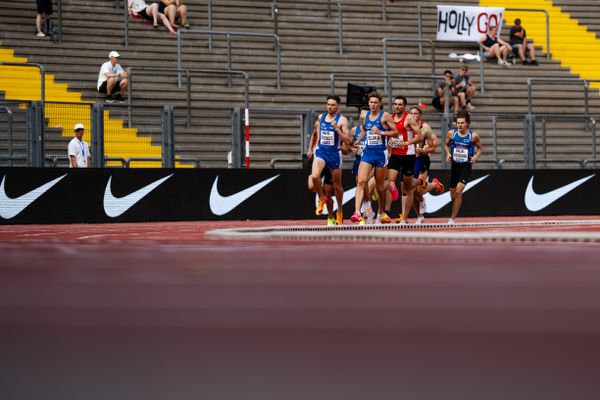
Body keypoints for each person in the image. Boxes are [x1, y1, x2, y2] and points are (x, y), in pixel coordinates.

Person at [350, 92, 398, 224]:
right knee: (361, 181)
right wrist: (358, 141)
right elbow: (365, 130)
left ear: (380, 104)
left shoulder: (385, 116)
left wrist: (381, 132)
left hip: (380, 154)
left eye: (375, 102)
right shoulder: (365, 116)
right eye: (371, 102)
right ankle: (357, 212)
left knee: (379, 186)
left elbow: (395, 132)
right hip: (368, 152)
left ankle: (382, 211)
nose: (372, 105)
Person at [308, 95, 351, 225]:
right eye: (328, 104)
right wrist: (311, 148)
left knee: (336, 187)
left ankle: (339, 212)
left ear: (338, 106)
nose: (330, 107)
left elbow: (348, 141)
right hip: (321, 152)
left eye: (333, 105)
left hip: (334, 155)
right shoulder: (321, 118)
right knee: (314, 178)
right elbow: (316, 134)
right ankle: (321, 198)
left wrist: (337, 129)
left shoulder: (342, 120)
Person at [385, 96, 424, 225]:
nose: (397, 106)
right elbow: (389, 134)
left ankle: (419, 181)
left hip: (408, 155)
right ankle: (387, 212)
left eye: (400, 104)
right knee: (389, 181)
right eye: (395, 104)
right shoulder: (390, 117)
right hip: (395, 154)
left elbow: (420, 136)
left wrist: (407, 142)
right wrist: (389, 142)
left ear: (404, 106)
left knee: (406, 188)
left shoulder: (409, 118)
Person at [444, 110, 483, 224]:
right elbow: (446, 145)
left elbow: (480, 148)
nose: (460, 125)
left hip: (466, 166)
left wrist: (475, 157)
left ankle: (452, 218)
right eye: (458, 123)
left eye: (462, 123)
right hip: (455, 166)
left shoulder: (473, 136)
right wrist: (448, 154)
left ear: (467, 124)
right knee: (452, 194)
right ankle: (455, 209)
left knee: (458, 192)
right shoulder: (452, 133)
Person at [409, 105, 444, 224]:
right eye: (411, 113)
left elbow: (435, 143)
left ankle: (434, 184)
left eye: (415, 113)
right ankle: (419, 216)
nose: (413, 116)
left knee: (418, 190)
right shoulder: (406, 126)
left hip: (422, 160)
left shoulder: (425, 127)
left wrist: (425, 149)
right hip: (409, 160)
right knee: (412, 190)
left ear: (420, 115)